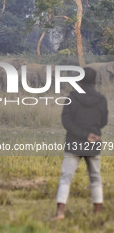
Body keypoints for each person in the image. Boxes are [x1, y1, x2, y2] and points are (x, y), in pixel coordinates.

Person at [53, 67, 108, 220]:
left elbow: (66, 122)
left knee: (66, 178)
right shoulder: (102, 99)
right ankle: (98, 213)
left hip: (74, 143)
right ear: (95, 81)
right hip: (94, 142)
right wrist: (91, 133)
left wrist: (83, 134)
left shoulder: (72, 97)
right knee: (96, 178)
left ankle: (60, 212)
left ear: (80, 80)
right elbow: (103, 121)